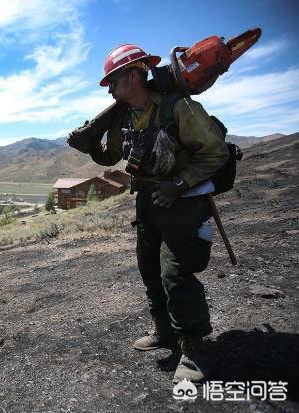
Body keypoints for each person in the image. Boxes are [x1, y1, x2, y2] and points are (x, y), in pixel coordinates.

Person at [69, 44, 228, 384]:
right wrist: (90, 146)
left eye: (112, 82)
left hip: (182, 202)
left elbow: (215, 153)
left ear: (132, 76)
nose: (110, 90)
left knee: (176, 273)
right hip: (147, 201)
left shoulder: (179, 107)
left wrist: (180, 184)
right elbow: (110, 157)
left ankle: (193, 350)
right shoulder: (123, 116)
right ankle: (164, 330)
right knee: (149, 268)